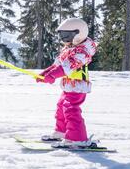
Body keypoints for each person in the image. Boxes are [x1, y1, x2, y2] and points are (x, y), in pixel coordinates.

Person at [36, 18, 97, 148]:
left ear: (78, 33)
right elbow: (58, 64)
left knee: (71, 109)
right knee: (61, 106)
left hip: (78, 86)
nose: (64, 38)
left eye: (66, 35)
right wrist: (45, 73)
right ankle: (62, 132)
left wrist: (52, 75)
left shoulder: (82, 52)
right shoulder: (69, 48)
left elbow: (67, 67)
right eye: (62, 35)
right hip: (69, 85)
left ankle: (77, 138)